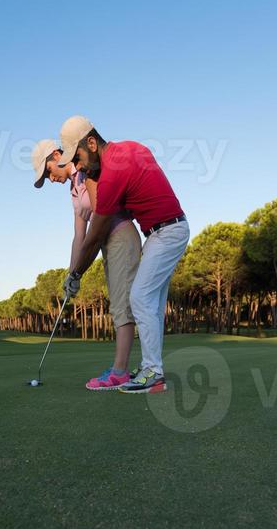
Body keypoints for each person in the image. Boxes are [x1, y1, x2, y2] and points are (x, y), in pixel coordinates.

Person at [59, 117, 190, 394]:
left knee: (139, 297)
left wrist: (76, 274)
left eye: (79, 156)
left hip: (167, 232)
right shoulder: (131, 147)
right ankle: (152, 370)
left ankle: (152, 372)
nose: (79, 165)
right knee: (151, 304)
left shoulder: (112, 175)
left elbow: (93, 238)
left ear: (92, 143)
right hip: (162, 232)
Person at [31, 138, 141, 390]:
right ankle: (123, 369)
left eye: (48, 171)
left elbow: (101, 217)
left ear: (57, 155)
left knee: (122, 304)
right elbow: (79, 236)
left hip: (121, 236)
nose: (50, 178)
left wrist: (81, 268)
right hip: (104, 244)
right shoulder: (73, 189)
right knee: (118, 302)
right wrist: (72, 275)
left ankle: (120, 372)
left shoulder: (88, 171)